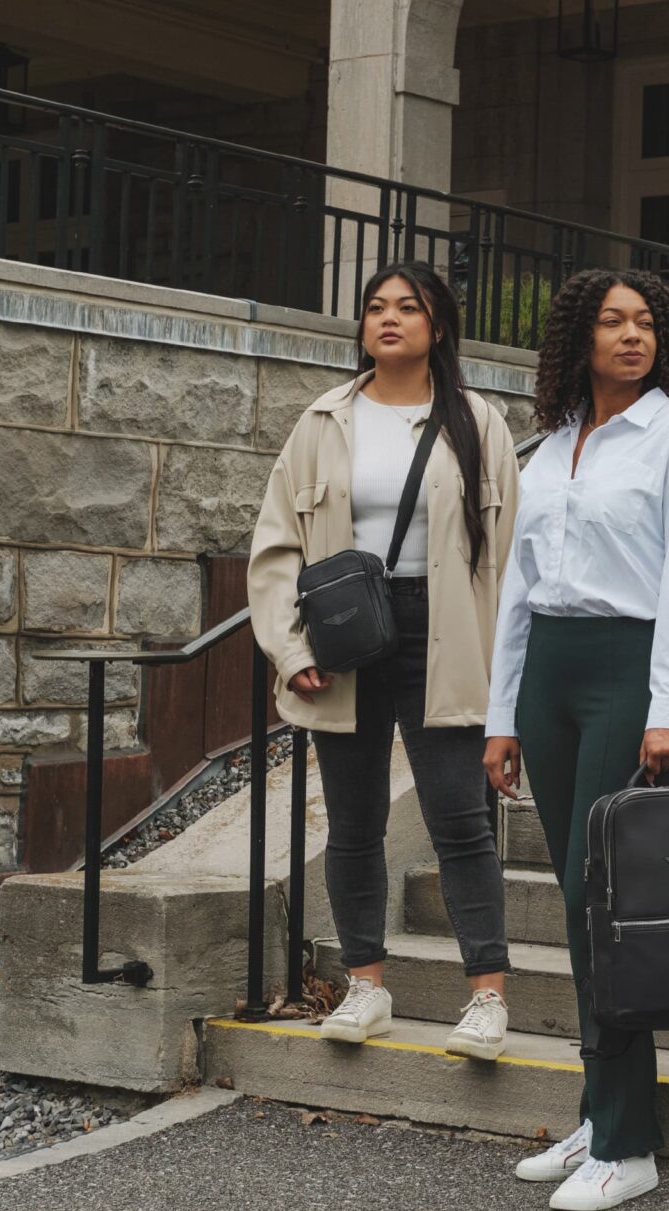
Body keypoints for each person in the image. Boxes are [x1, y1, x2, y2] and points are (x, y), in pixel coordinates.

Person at [482, 268, 669, 1211]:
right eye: (610, 322)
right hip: (551, 672)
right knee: (579, 900)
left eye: (644, 324)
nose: (630, 337)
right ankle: (602, 1110)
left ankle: (629, 1146)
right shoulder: (549, 448)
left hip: (635, 676)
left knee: (611, 908)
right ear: (577, 339)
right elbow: (518, 588)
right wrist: (502, 714)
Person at [246, 260, 521, 1061]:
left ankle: (487, 998)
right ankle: (366, 984)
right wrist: (291, 648)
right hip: (346, 635)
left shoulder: (477, 421)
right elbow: (273, 547)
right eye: (376, 308)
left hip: (448, 631)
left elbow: (510, 557)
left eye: (409, 307)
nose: (389, 319)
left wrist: (511, 679)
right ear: (361, 326)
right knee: (355, 823)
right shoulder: (322, 421)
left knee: (460, 821)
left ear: (439, 326)